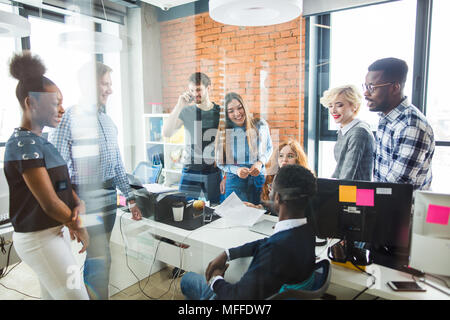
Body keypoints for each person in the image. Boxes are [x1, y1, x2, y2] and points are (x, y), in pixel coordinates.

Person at [48, 61, 142, 300]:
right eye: (105, 84)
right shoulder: (69, 118)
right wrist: (71, 204)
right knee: (100, 257)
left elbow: (118, 165)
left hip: (109, 197)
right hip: (85, 199)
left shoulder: (109, 123)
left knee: (100, 255)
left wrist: (130, 198)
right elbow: (56, 169)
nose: (110, 89)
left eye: (111, 84)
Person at [5, 51, 89, 299]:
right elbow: (50, 203)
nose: (62, 109)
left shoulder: (42, 142)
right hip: (39, 238)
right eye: (55, 103)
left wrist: (76, 202)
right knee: (76, 295)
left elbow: (60, 185)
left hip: (55, 231)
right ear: (31, 103)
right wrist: (78, 225)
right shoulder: (22, 144)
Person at [180, 164, 317, 300]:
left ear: (278, 198)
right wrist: (228, 253)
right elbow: (268, 242)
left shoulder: (274, 251)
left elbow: (237, 297)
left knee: (186, 280)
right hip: (276, 293)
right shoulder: (307, 232)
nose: (269, 191)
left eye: (271, 189)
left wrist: (216, 278)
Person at [364, 57, 435, 190]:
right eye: (366, 86)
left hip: (403, 209)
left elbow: (395, 187)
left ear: (395, 88)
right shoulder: (387, 117)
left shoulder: (411, 126)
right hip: (385, 204)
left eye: (372, 87)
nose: (366, 93)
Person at [162, 72, 221, 203]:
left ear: (209, 88)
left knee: (216, 208)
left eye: (199, 89)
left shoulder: (219, 111)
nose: (195, 94)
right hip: (191, 168)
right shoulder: (187, 111)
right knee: (183, 207)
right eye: (192, 90)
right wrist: (179, 105)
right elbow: (166, 132)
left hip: (213, 170)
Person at [216, 92, 272, 205]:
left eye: (239, 108)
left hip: (258, 177)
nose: (237, 113)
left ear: (244, 107)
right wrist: (236, 170)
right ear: (226, 114)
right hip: (235, 180)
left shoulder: (260, 124)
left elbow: (269, 148)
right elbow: (220, 162)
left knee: (261, 212)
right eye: (231, 111)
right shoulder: (224, 132)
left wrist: (260, 163)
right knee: (235, 216)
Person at [320, 85, 375, 181]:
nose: (333, 110)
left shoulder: (358, 132)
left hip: (359, 193)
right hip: (351, 190)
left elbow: (347, 174)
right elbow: (341, 170)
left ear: (354, 106)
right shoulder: (345, 130)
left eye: (339, 105)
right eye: (330, 106)